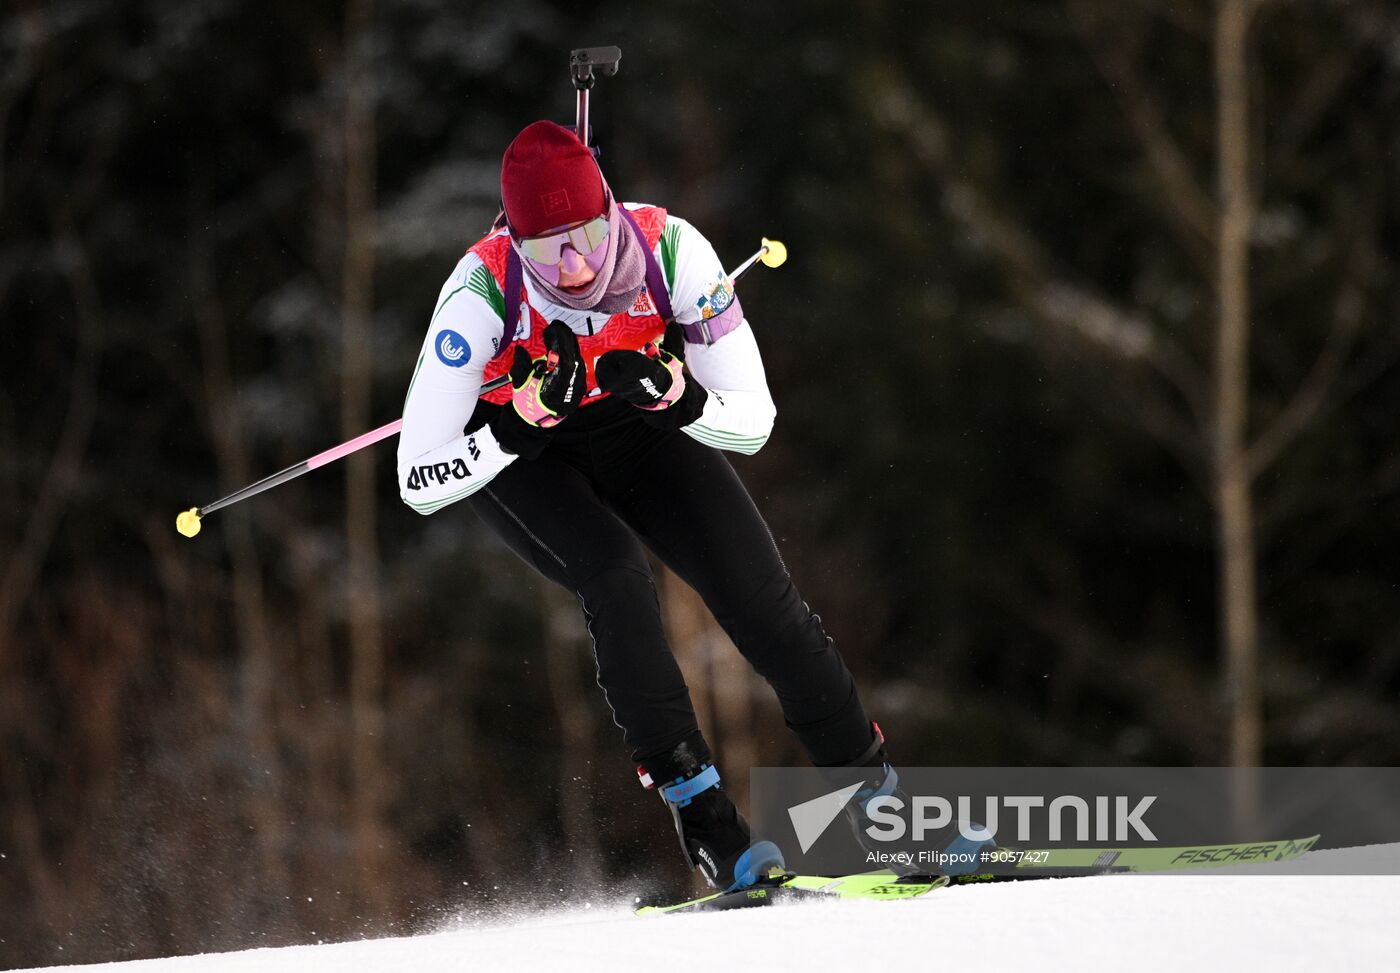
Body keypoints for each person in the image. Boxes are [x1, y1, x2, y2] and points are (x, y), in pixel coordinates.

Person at [397, 120, 900, 891]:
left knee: (761, 598)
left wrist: (680, 397)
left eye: (588, 237)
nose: (570, 265)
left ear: (611, 211)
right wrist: (513, 422)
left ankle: (878, 810)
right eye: (544, 248)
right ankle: (707, 824)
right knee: (615, 575)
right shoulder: (477, 291)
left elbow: (755, 422)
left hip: (642, 425)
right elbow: (418, 477)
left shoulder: (674, 252)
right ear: (511, 239)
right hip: (523, 455)